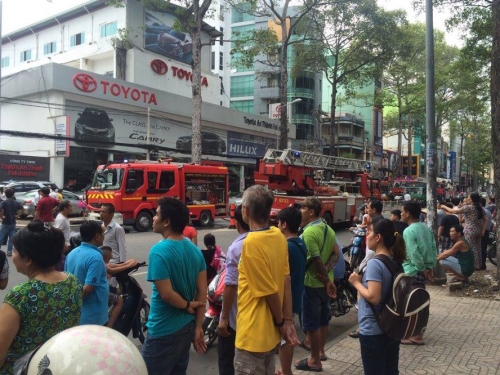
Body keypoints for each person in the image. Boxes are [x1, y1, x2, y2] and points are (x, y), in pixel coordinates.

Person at [0, 220, 82, 374]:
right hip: (60, 366)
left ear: (28, 260)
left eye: (16, 251)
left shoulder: (20, 296)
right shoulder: (73, 282)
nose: (13, 256)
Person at [235, 185, 298, 375]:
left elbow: (269, 291)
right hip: (270, 337)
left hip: (253, 335)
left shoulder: (251, 243)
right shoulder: (278, 236)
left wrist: (282, 324)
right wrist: (287, 321)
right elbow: (286, 280)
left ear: (245, 211)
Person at [141, 197, 207, 375]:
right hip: (187, 327)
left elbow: (167, 294)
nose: (153, 219)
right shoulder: (195, 250)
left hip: (163, 329)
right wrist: (199, 326)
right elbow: (202, 291)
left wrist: (187, 305)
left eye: (156, 215)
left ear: (167, 221)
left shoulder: (158, 251)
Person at [349, 219, 407, 375]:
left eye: (369, 232)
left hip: (374, 329)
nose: (366, 236)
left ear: (378, 237)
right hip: (391, 326)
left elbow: (374, 297)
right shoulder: (394, 260)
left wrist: (355, 282)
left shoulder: (375, 263)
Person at [295, 197, 338, 372]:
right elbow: (336, 254)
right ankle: (320, 352)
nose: (300, 211)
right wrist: (327, 274)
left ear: (311, 211)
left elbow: (316, 258)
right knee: (323, 319)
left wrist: (323, 276)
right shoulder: (328, 229)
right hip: (326, 283)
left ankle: (314, 360)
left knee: (311, 324)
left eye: (302, 208)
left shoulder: (309, 233)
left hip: (312, 283)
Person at [217, 205, 250, 375]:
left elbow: (230, 285)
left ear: (238, 223)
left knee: (227, 360)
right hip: (260, 318)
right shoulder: (272, 240)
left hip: (237, 318)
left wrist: (223, 319)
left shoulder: (236, 248)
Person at [400, 201, 437, 346]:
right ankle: (417, 334)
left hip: (412, 270)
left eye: (402, 211)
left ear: (408, 213)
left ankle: (414, 335)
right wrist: (429, 268)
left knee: (410, 303)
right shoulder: (425, 228)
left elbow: (413, 253)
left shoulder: (408, 231)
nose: (401, 214)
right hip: (423, 270)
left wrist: (422, 268)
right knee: (420, 302)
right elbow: (433, 248)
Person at [276, 207, 307, 375]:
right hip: (296, 295)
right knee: (288, 335)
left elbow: (284, 276)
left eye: (278, 223)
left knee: (285, 338)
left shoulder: (287, 246)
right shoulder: (300, 242)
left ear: (284, 224)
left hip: (287, 298)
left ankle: (286, 371)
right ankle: (285, 369)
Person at [65, 221, 109, 326]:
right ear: (97, 236)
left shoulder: (71, 253)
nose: (103, 237)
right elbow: (88, 288)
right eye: (102, 234)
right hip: (92, 316)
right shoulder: (95, 257)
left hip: (76, 314)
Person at [440, 193, 486, 270]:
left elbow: (453, 211)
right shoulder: (479, 208)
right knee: (478, 248)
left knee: (470, 248)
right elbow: (485, 219)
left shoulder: (469, 207)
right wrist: (483, 230)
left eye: (468, 197)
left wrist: (444, 206)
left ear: (471, 199)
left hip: (470, 230)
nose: (467, 199)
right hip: (478, 230)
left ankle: (472, 266)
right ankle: (478, 265)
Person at [100, 245, 138, 328]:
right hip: (104, 289)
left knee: (119, 291)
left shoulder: (104, 263)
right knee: (119, 300)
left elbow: (120, 265)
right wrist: (128, 265)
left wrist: (128, 263)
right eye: (111, 254)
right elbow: (114, 270)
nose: (112, 256)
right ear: (106, 256)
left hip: (105, 287)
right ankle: (109, 327)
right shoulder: (103, 265)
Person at [0, 188, 24, 256]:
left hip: (5, 222)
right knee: (11, 237)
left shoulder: (4, 202)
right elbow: (22, 210)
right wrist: (17, 215)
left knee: (1, 237)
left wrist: (1, 217)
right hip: (13, 222)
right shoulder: (16, 202)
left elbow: (0, 209)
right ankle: (9, 251)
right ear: (13, 194)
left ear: (6, 194)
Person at [480, 197, 493, 270]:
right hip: (486, 231)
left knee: (479, 249)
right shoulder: (488, 212)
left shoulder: (481, 211)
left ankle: (480, 265)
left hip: (481, 232)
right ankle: (483, 265)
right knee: (483, 249)